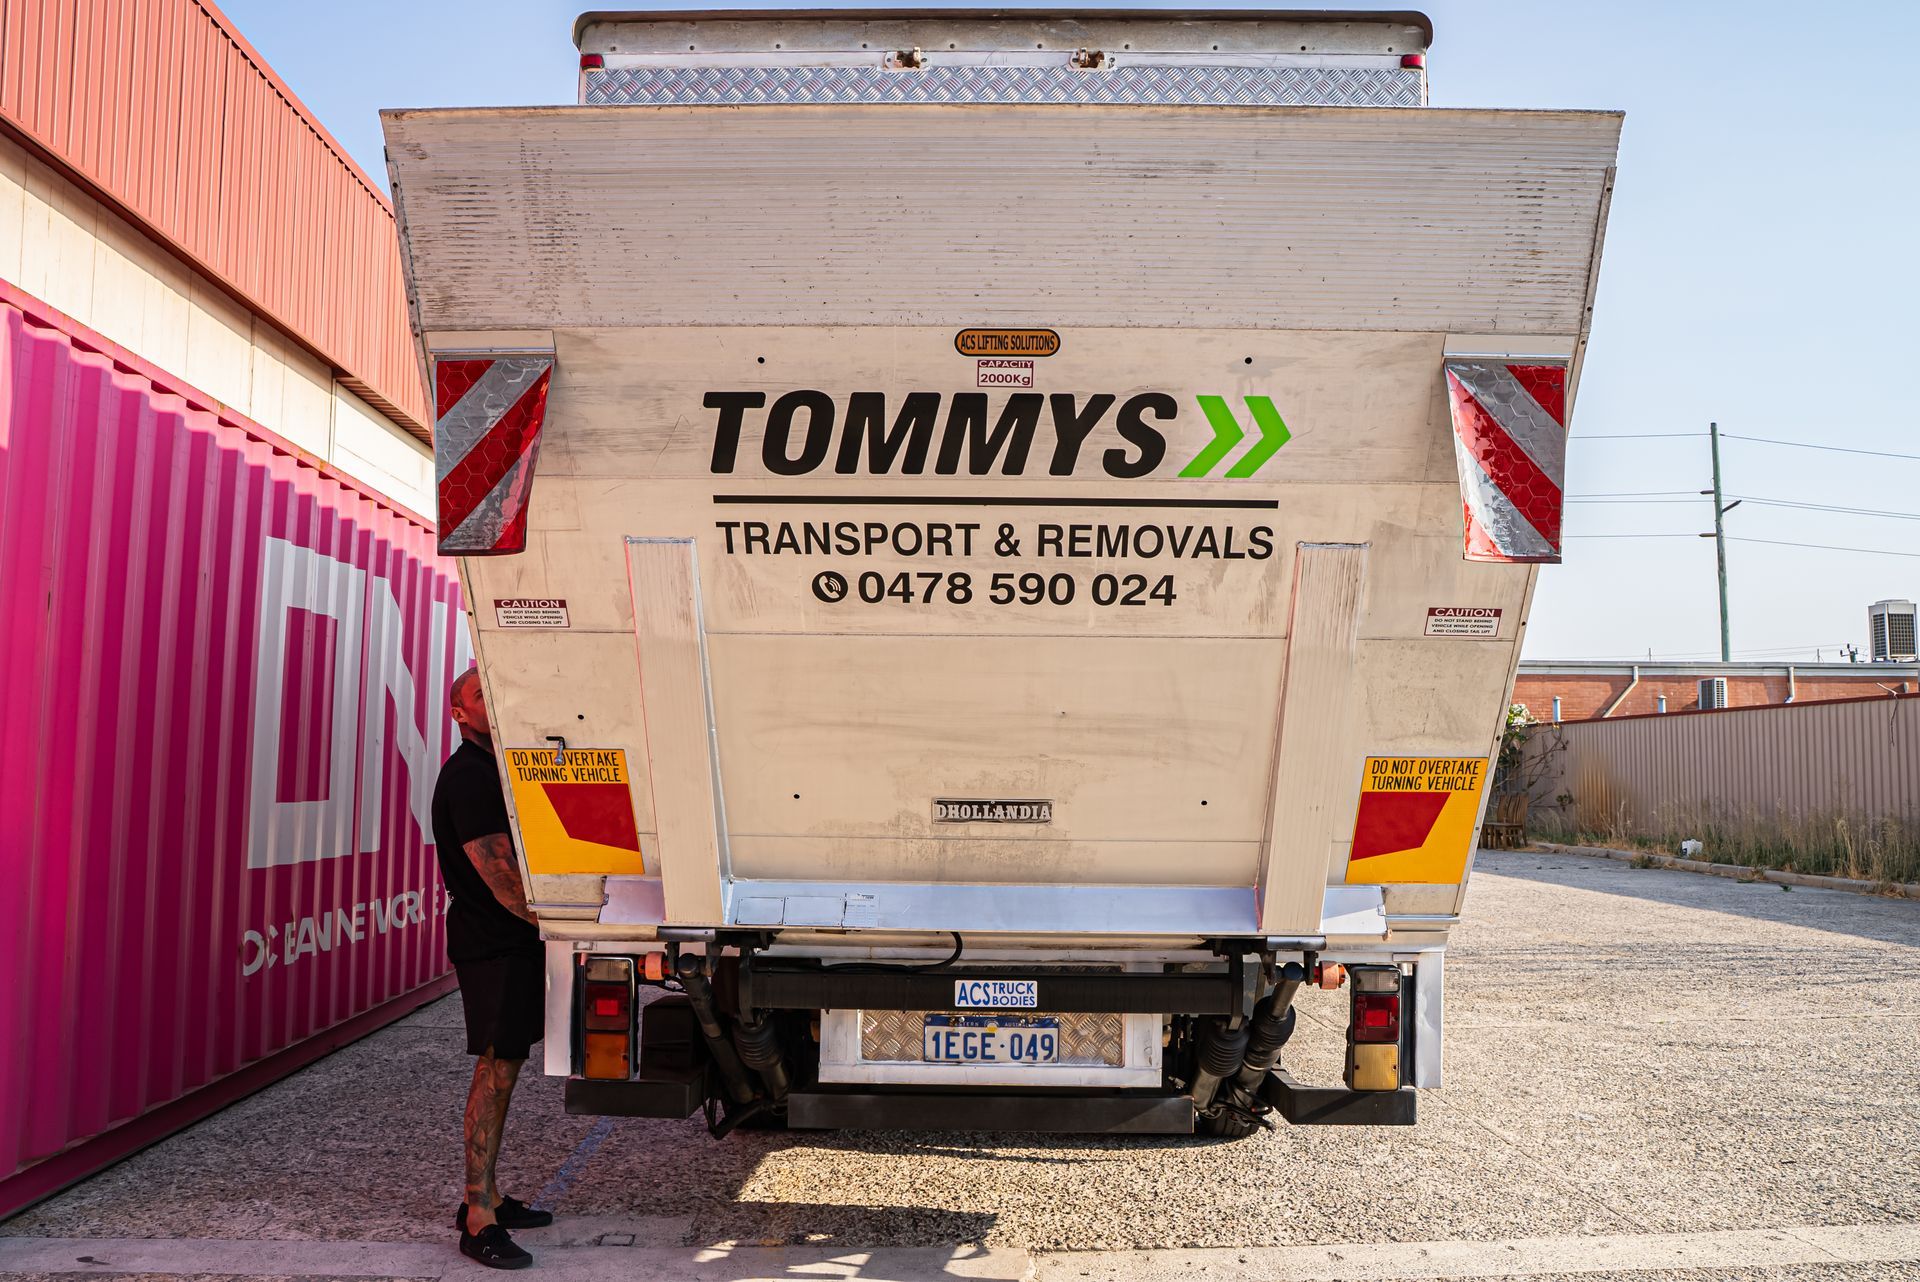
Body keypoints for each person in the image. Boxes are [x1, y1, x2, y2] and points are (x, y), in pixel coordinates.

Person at [431, 667, 552, 1270]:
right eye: (481, 695)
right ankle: (477, 1215)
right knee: (497, 1070)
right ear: (459, 713)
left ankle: (493, 1197)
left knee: (509, 1064)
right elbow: (504, 882)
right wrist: (566, 925)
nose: (494, 699)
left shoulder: (497, 769)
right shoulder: (471, 778)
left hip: (515, 944)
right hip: (496, 945)